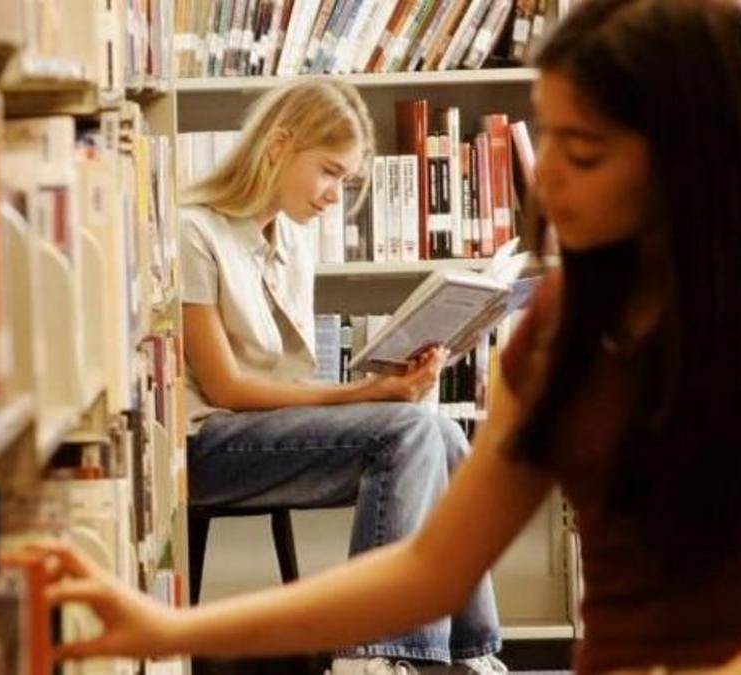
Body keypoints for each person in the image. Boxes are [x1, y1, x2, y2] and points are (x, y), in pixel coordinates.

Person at [31, 1, 741, 673]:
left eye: (583, 153)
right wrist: (166, 629)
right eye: (550, 146)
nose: (548, 186)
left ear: (688, 159)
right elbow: (429, 566)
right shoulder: (560, 330)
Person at [173, 77, 504, 675]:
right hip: (208, 446)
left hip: (270, 434)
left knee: (445, 434)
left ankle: (468, 653)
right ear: (277, 144)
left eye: (344, 181)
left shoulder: (291, 243)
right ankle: (375, 654)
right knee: (403, 431)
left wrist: (388, 376)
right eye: (328, 171)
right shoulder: (193, 232)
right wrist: (365, 394)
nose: (333, 195)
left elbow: (294, 384)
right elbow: (226, 389)